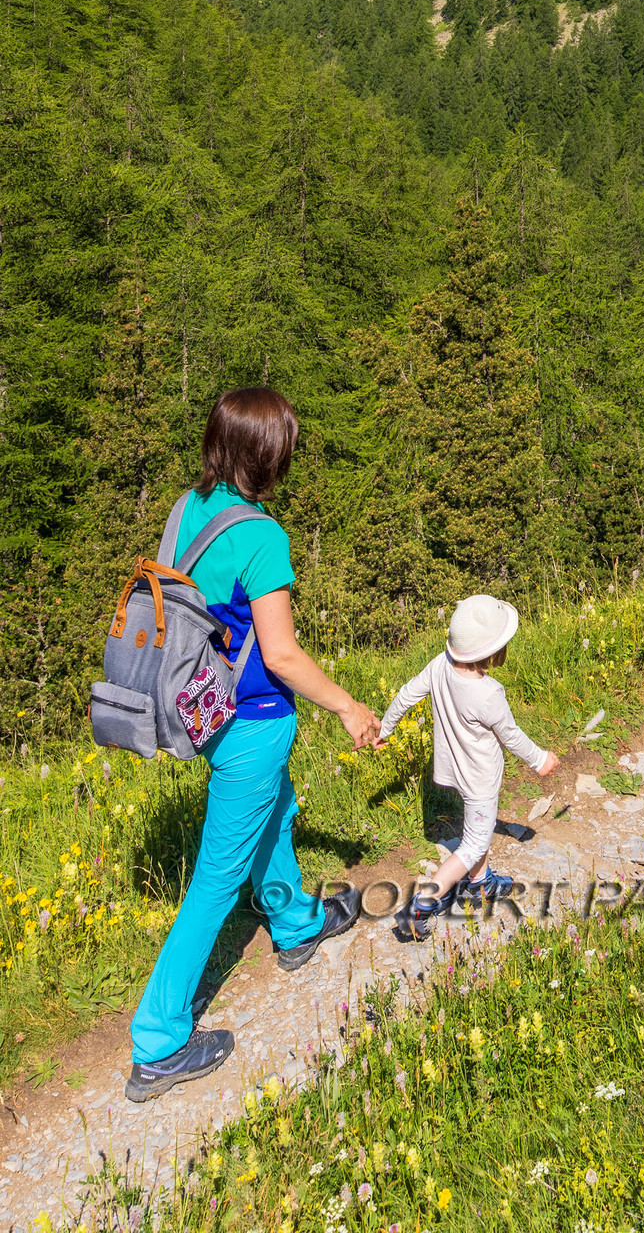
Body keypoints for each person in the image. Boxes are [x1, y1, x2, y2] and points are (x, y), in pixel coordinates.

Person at [126, 389, 381, 1105]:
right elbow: (284, 654)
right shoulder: (263, 536)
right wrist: (350, 708)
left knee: (273, 806)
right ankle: (158, 1041)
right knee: (214, 878)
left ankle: (295, 922)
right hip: (251, 719)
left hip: (200, 707)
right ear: (272, 457)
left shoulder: (186, 508)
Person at [379, 593, 559, 940]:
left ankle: (479, 884)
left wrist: (385, 729)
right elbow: (512, 736)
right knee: (475, 842)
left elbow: (405, 695)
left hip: (455, 772)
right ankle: (421, 903)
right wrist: (541, 759)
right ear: (492, 650)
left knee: (477, 829)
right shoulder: (488, 693)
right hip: (479, 779)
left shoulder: (440, 664)